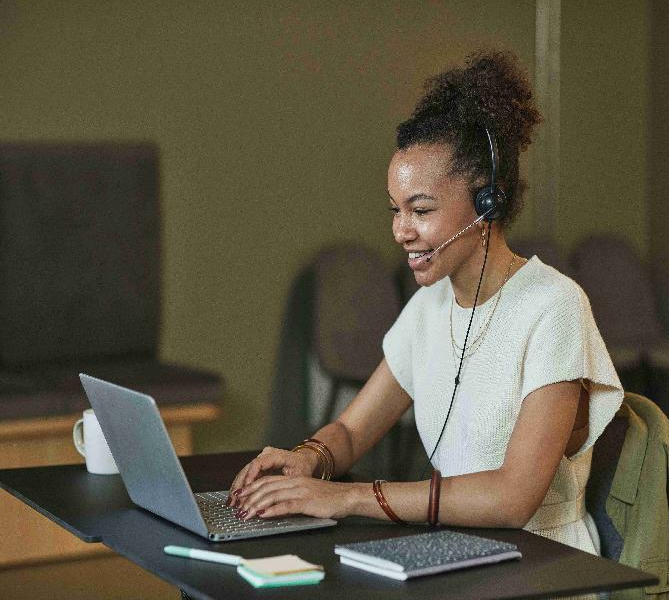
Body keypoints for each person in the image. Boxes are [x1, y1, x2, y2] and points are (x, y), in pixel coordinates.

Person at [228, 50, 623, 555]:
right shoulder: (427, 307)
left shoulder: (554, 307)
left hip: (543, 561)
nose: (400, 230)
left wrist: (346, 498)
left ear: (488, 203)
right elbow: (351, 429)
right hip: (456, 552)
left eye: (421, 209)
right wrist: (309, 459)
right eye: (396, 210)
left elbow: (511, 499)